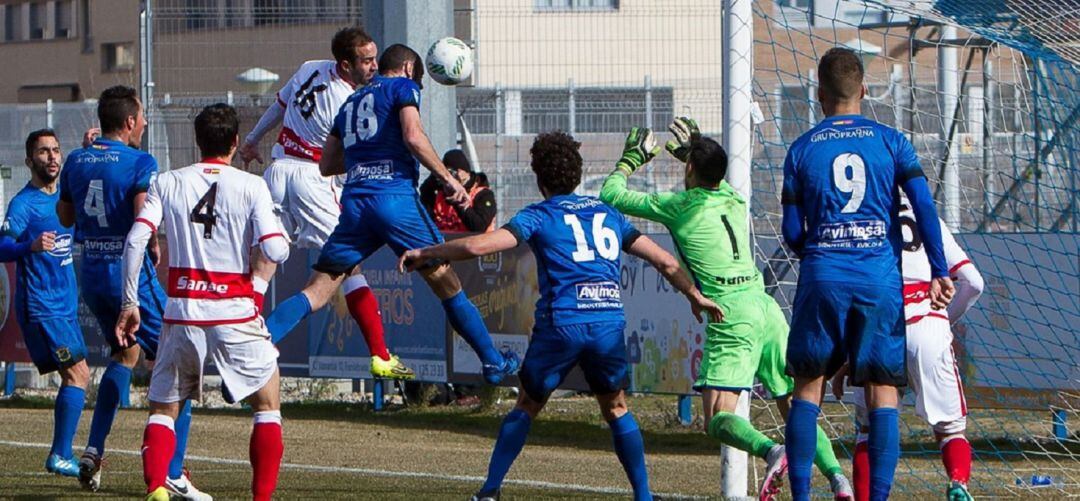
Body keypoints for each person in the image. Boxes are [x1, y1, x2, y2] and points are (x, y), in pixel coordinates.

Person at [399, 131, 723, 501]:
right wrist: (694, 294)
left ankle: (489, 492)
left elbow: (477, 244)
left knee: (528, 404)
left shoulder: (539, 216)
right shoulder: (607, 213)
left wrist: (427, 251)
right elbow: (665, 261)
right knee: (616, 406)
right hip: (606, 322)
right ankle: (644, 496)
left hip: (562, 324)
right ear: (578, 174)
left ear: (539, 179)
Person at [600, 122, 854, 500]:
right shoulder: (735, 197)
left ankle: (773, 451)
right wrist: (695, 151)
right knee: (795, 407)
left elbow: (610, 194)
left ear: (689, 170)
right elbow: (707, 171)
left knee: (718, 418)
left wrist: (631, 159)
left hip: (729, 311)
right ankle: (838, 479)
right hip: (765, 306)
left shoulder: (679, 207)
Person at [269, 43, 520, 384]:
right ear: (407, 69)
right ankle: (492, 361)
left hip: (356, 205)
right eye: (418, 77)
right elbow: (413, 137)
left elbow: (327, 165)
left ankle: (254, 350)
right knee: (446, 281)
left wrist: (365, 155)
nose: (419, 85)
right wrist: (446, 179)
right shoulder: (403, 87)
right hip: (394, 199)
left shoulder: (351, 101)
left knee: (316, 290)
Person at [780, 47, 955, 501]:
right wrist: (939, 268)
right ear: (863, 90)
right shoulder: (893, 142)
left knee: (808, 388)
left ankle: (801, 496)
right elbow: (924, 208)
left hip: (822, 276)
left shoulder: (800, 150)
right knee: (882, 392)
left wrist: (820, 252)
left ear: (819, 94)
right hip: (878, 279)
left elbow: (792, 232)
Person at [117, 104, 289, 501]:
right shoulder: (251, 185)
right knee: (266, 404)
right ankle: (261, 498)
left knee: (164, 408)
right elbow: (275, 248)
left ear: (198, 142)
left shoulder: (168, 182)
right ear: (233, 142)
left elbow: (136, 239)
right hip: (236, 311)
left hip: (182, 311)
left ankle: (157, 489)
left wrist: (131, 302)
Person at [239, 27, 413, 380]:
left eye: (375, 58)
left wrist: (252, 140)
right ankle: (379, 355)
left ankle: (243, 346)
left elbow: (280, 105)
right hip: (311, 181)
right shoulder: (346, 100)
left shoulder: (308, 68)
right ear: (345, 65)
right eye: (366, 61)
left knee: (263, 267)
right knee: (349, 268)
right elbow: (350, 157)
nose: (374, 66)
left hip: (276, 172)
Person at [832, 201, 984, 501]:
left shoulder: (863, 222)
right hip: (927, 326)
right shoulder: (930, 219)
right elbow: (974, 283)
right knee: (950, 428)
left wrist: (849, 354)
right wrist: (942, 318)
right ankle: (957, 483)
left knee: (869, 428)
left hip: (879, 326)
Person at [1, 129, 86, 478]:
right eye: (42, 152)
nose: (51, 157)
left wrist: (87, 151)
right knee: (78, 374)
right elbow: (2, 246)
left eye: (55, 150)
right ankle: (60, 455)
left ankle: (62, 453)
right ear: (28, 161)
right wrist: (28, 246)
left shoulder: (66, 199)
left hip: (64, 305)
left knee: (76, 377)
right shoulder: (23, 204)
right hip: (42, 307)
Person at [420, 149, 497, 233]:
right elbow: (425, 194)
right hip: (444, 243)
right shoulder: (440, 193)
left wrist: (461, 204)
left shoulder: (483, 195)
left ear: (461, 172)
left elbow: (478, 227)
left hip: (472, 243)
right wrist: (438, 175)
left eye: (451, 172)